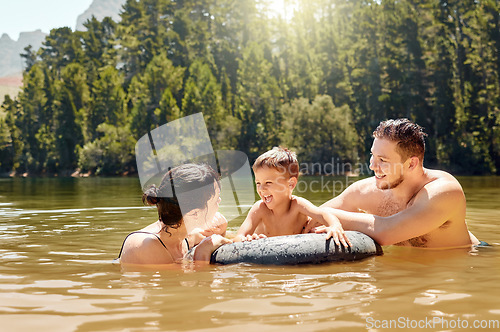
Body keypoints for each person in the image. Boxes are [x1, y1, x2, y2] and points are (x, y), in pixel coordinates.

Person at [318, 118, 479, 248]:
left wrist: (327, 216)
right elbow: (308, 216)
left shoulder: (444, 192)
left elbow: (385, 232)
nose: (372, 165)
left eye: (382, 160)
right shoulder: (366, 191)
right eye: (372, 155)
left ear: (411, 164)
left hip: (463, 266)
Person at [235, 147, 351, 247]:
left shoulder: (298, 205)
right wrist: (249, 240)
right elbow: (238, 237)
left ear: (290, 184)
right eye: (258, 183)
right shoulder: (260, 209)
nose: (261, 189)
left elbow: (323, 214)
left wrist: (334, 226)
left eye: (268, 183)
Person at [118, 163, 232, 265]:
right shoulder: (145, 247)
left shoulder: (187, 236)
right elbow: (190, 283)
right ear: (194, 214)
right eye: (216, 199)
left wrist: (222, 231)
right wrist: (203, 251)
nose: (220, 201)